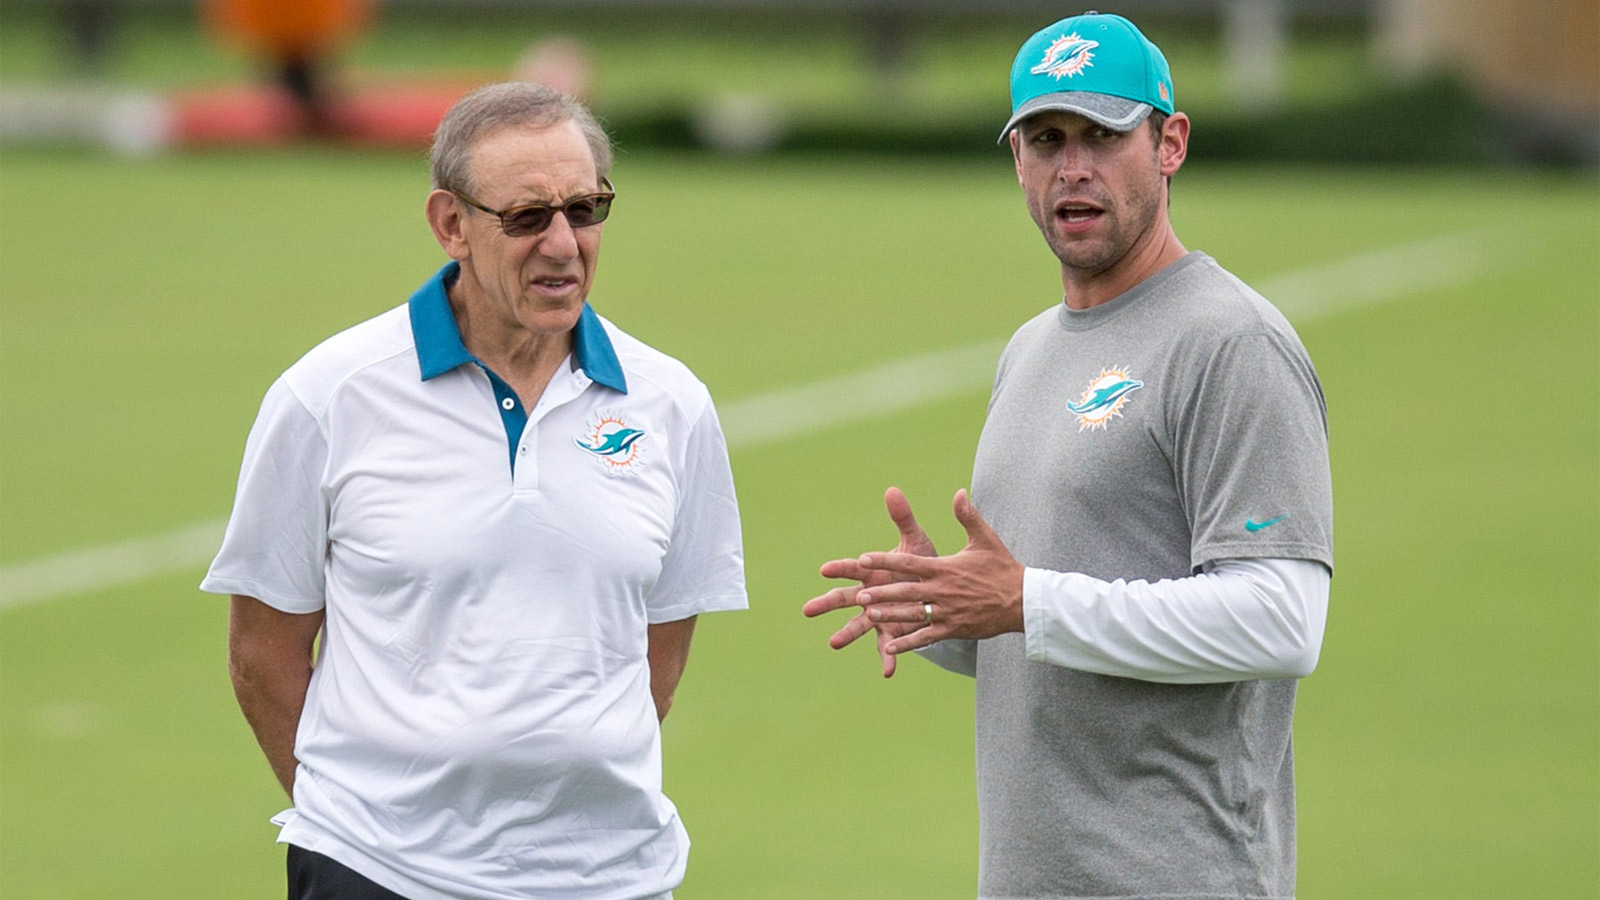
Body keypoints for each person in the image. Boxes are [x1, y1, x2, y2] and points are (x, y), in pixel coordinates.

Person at [804, 12, 1332, 899]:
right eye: (1046, 138)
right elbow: (1042, 628)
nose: (1072, 167)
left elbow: (1282, 619)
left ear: (1170, 144)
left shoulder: (1231, 345)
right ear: (1017, 161)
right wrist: (942, 604)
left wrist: (1024, 599)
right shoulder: (1031, 350)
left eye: (1103, 135)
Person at [203, 81, 747, 900]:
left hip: (612, 879)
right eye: (527, 217)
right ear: (451, 225)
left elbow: (654, 659)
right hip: (376, 871)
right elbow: (263, 655)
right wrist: (365, 830)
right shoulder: (330, 395)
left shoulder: (672, 404)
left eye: (587, 209)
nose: (564, 244)